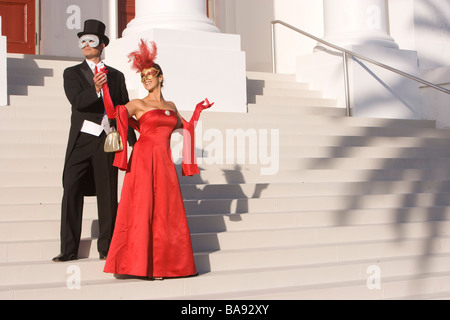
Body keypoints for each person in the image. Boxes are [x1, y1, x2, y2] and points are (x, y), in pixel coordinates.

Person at [103, 39, 213, 279]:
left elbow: (186, 128)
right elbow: (114, 113)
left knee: (165, 210)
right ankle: (138, 265)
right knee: (142, 207)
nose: (146, 79)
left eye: (150, 75)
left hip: (164, 161)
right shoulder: (138, 103)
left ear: (161, 77)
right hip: (143, 159)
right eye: (143, 77)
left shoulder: (171, 105)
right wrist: (104, 90)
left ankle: (163, 265)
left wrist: (197, 110)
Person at [53, 19, 136, 262]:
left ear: (101, 45)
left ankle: (107, 249)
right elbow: (78, 101)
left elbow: (123, 108)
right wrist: (96, 90)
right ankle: (68, 249)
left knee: (108, 193)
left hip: (107, 141)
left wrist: (132, 138)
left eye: (91, 41)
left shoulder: (117, 76)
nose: (86, 45)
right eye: (83, 41)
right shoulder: (72, 73)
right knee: (71, 188)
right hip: (82, 139)